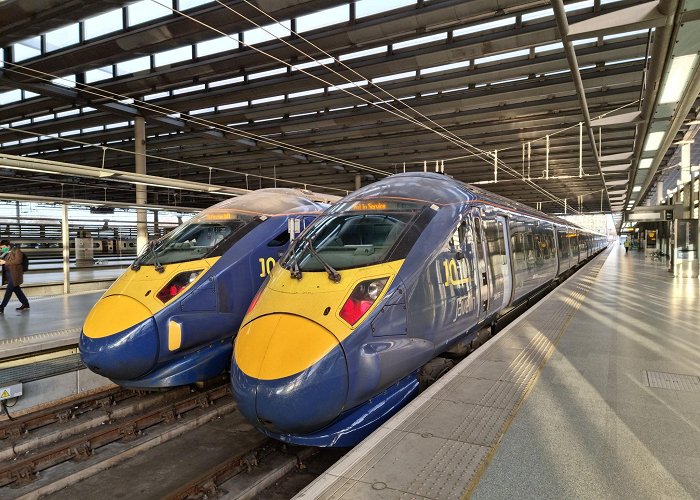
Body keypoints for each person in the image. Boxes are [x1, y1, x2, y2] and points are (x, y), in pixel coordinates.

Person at [0, 239, 30, 314]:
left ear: (8, 246)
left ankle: (1, 307)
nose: (2, 249)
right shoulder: (6, 253)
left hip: (15, 275)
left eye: (3, 247)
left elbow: (18, 261)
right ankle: (25, 304)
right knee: (17, 290)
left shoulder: (17, 251)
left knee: (8, 291)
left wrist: (5, 262)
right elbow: (5, 262)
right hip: (9, 275)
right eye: (1, 248)